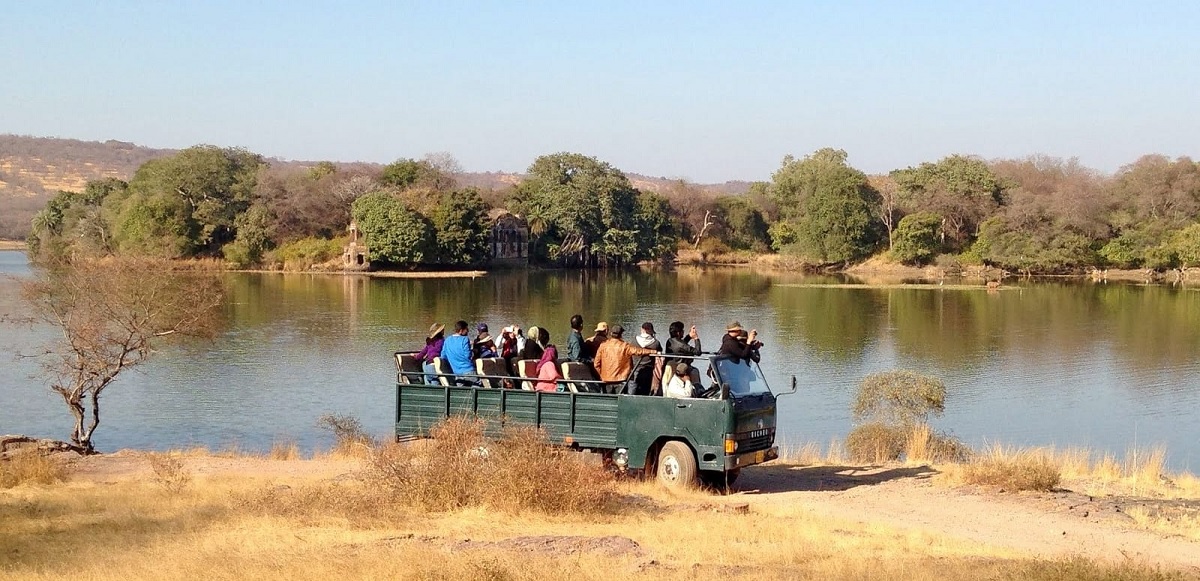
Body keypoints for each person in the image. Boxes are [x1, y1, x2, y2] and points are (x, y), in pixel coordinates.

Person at [593, 325, 658, 394]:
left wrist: (602, 374)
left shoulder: (603, 345)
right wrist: (653, 351)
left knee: (608, 401)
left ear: (611, 333)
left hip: (606, 380)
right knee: (620, 402)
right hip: (620, 380)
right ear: (621, 334)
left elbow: (596, 364)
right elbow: (638, 351)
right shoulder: (625, 346)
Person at [632, 322, 663, 396]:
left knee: (633, 389)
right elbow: (660, 351)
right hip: (648, 369)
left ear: (642, 329)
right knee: (645, 390)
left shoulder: (634, 341)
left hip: (634, 368)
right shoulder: (655, 343)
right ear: (651, 331)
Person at [442, 320, 476, 384]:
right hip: (468, 370)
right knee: (478, 386)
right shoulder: (465, 339)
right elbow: (468, 355)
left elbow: (443, 355)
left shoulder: (447, 340)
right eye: (466, 329)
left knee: (461, 392)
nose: (468, 331)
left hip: (457, 373)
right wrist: (473, 352)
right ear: (461, 330)